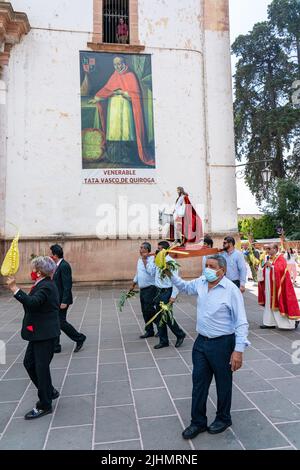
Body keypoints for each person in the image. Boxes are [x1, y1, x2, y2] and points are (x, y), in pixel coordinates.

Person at [170, 255, 249, 438]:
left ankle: (223, 417)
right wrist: (171, 274)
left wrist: (238, 350)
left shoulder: (231, 290)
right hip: (201, 343)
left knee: (223, 383)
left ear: (222, 270)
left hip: (222, 344)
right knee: (199, 383)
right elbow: (184, 287)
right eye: (206, 265)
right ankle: (197, 422)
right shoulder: (202, 281)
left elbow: (241, 322)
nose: (207, 269)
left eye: (212, 266)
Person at [6, 257, 60, 419]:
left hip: (44, 334)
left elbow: (33, 303)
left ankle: (45, 404)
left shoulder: (46, 286)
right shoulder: (43, 284)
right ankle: (49, 390)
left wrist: (15, 288)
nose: (32, 271)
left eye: (34, 268)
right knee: (29, 363)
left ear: (39, 271)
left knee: (40, 369)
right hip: (39, 333)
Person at [88, 56, 154, 166]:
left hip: (126, 109)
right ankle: (114, 157)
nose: (118, 66)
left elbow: (136, 94)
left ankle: (127, 157)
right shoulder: (114, 76)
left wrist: (124, 93)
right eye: (115, 64)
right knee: (114, 132)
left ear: (124, 63)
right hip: (114, 108)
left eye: (120, 63)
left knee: (126, 132)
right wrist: (97, 98)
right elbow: (107, 89)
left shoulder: (131, 75)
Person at [146, 241, 186, 349]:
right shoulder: (158, 261)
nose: (157, 250)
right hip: (158, 291)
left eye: (159, 249)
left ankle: (180, 334)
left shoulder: (171, 263)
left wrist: (173, 296)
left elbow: (176, 281)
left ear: (165, 250)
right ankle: (163, 341)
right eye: (157, 249)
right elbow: (151, 272)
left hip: (166, 292)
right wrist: (153, 261)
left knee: (167, 316)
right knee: (159, 317)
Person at [50, 244, 86, 353]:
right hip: (56, 299)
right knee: (55, 322)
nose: (50, 255)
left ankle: (79, 338)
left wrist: (64, 301)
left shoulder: (64, 266)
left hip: (62, 300)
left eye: (51, 253)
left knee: (60, 322)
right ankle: (56, 346)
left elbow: (67, 285)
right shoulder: (56, 265)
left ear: (55, 255)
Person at [258, 244, 300, 330]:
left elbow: (281, 269)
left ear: (275, 249)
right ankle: (269, 323)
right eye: (267, 249)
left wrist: (272, 266)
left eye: (269, 249)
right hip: (270, 286)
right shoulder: (269, 258)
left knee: (280, 303)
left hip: (279, 287)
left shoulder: (280, 258)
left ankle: (290, 323)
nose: (267, 251)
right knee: (269, 304)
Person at [130, 242, 158, 338]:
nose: (140, 250)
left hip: (151, 288)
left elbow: (151, 272)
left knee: (149, 309)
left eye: (142, 248)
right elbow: (138, 273)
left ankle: (161, 325)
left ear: (147, 250)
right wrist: (133, 284)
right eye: (140, 248)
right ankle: (149, 331)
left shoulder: (153, 259)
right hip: (143, 289)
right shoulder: (139, 260)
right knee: (144, 311)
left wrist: (145, 260)